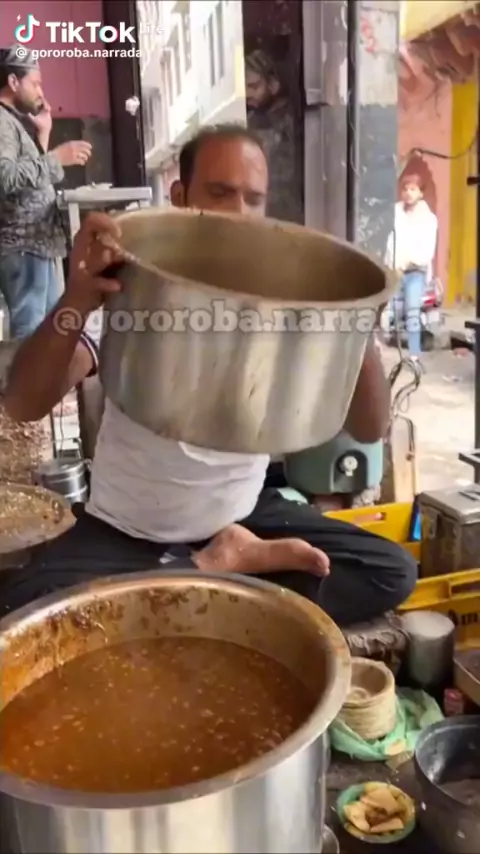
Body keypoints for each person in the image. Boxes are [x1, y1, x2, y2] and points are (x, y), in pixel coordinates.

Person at [3, 124, 417, 627]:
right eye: (220, 193)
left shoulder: (287, 300)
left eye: (253, 199)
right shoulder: (134, 286)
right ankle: (214, 578)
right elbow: (24, 403)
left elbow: (370, 428)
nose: (238, 212)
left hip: (246, 518)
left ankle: (185, 593)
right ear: (181, 197)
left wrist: (357, 321)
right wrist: (77, 298)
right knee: (19, 613)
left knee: (388, 572)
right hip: (126, 533)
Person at [0, 46, 92, 339]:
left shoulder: (13, 122)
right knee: (30, 333)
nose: (41, 92)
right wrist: (56, 157)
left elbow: (29, 178)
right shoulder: (1, 121)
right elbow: (5, 177)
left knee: (47, 334)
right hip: (23, 245)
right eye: (36, 83)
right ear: (14, 82)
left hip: (37, 245)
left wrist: (43, 134)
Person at [245, 49, 301, 224]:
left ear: (272, 84)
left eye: (254, 86)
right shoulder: (250, 119)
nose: (248, 94)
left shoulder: (291, 117)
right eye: (244, 87)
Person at [385, 173, 438, 359]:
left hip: (415, 271)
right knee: (385, 311)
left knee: (412, 312)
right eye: (405, 189)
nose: (408, 193)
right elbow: (390, 242)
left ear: (420, 193)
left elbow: (427, 250)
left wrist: (408, 263)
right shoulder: (395, 214)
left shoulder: (428, 219)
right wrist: (392, 265)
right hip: (395, 270)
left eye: (413, 189)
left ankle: (414, 355)